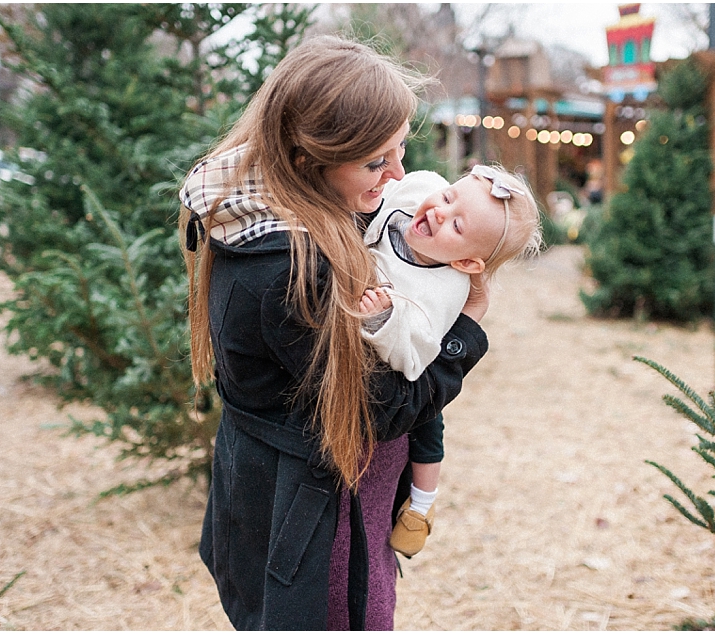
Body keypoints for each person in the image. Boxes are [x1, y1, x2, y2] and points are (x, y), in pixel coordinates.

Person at [178, 35, 491, 631]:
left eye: (400, 151)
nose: (399, 174)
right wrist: (465, 333)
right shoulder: (288, 270)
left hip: (318, 508)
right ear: (309, 160)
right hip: (315, 529)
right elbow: (384, 408)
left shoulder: (291, 207)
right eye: (377, 162)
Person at [356, 166, 541, 558]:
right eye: (448, 198)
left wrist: (383, 320)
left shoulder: (439, 295)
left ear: (468, 264)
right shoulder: (423, 190)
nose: (440, 211)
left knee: (428, 418)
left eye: (457, 226)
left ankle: (421, 504)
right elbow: (396, 182)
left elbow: (412, 360)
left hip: (390, 376)